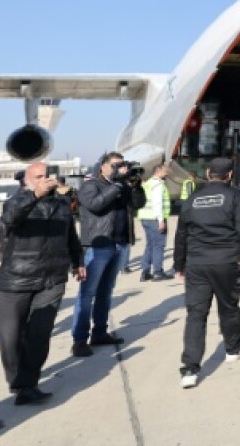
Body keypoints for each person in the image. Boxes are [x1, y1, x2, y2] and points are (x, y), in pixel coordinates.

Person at [0, 162, 85, 404]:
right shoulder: (15, 201)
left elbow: (71, 236)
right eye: (38, 177)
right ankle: (16, 378)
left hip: (52, 278)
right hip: (17, 278)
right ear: (27, 181)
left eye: (47, 176)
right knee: (11, 337)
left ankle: (27, 384)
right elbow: (11, 218)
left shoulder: (62, 205)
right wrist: (35, 196)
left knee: (39, 334)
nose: (45, 180)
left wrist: (78, 260)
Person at [174, 157, 240, 389]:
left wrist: (178, 264)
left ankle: (190, 370)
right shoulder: (234, 196)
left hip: (197, 265)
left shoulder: (192, 199)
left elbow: (181, 233)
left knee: (196, 314)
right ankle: (233, 349)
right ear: (230, 175)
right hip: (226, 263)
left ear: (207, 173)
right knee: (228, 307)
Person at [71, 153, 144, 357]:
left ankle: (100, 332)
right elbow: (95, 205)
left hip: (118, 244)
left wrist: (135, 186)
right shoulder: (91, 185)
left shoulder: (120, 184)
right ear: (102, 166)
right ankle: (79, 339)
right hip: (97, 244)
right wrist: (118, 186)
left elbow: (137, 205)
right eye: (115, 165)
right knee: (87, 293)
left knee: (105, 291)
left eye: (122, 165)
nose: (119, 169)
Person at [138, 164, 172, 282]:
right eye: (166, 170)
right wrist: (161, 220)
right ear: (158, 171)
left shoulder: (148, 184)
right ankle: (157, 272)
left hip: (145, 218)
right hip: (155, 218)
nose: (168, 172)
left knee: (150, 244)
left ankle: (145, 272)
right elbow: (158, 203)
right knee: (159, 245)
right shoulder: (158, 185)